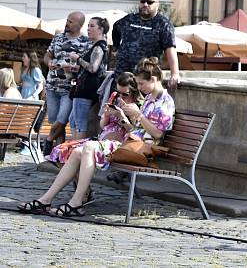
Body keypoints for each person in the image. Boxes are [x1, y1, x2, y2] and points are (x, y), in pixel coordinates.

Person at [17, 58, 174, 217]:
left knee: (88, 147)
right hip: (130, 143)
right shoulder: (149, 98)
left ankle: (76, 202)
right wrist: (126, 119)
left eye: (141, 84)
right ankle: (46, 199)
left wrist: (138, 115)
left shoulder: (165, 101)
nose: (139, 88)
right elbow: (137, 130)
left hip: (140, 149)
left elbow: (158, 134)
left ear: (153, 79)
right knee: (78, 151)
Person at [109, 0, 180, 94]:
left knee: (140, 108)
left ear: (157, 5)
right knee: (115, 106)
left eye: (150, 2)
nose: (145, 4)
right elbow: (116, 28)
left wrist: (175, 73)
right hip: (122, 75)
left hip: (144, 77)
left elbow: (170, 49)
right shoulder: (129, 19)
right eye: (143, 1)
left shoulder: (163, 24)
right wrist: (116, 47)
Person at [42, 12, 90, 155]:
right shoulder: (58, 38)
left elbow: (86, 65)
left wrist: (75, 68)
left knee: (62, 119)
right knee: (55, 121)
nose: (67, 23)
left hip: (70, 87)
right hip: (52, 85)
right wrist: (49, 62)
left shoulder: (86, 42)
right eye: (67, 20)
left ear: (79, 25)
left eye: (71, 22)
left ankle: (49, 139)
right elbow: (47, 55)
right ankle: (59, 154)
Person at [67, 17, 109, 139]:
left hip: (86, 90)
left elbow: (93, 68)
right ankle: (74, 150)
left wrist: (77, 59)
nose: (88, 29)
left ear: (101, 30)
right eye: (88, 26)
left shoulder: (99, 47)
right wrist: (74, 68)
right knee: (73, 120)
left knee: (79, 123)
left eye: (92, 26)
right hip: (82, 89)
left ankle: (77, 151)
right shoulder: (96, 46)